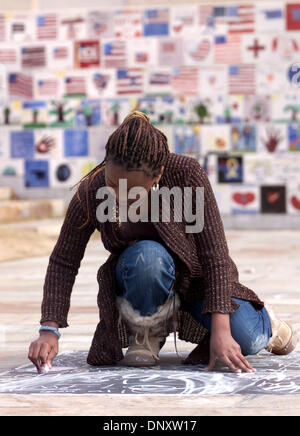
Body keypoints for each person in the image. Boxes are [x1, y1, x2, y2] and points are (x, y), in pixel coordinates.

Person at [28, 111, 297, 374]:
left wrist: (222, 330)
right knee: (149, 254)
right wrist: (49, 329)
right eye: (112, 184)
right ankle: (147, 332)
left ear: (157, 176)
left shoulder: (187, 175)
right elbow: (64, 260)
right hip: (141, 283)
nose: (119, 198)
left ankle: (267, 325)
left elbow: (214, 254)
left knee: (246, 338)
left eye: (131, 192)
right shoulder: (92, 191)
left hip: (197, 286)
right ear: (105, 163)